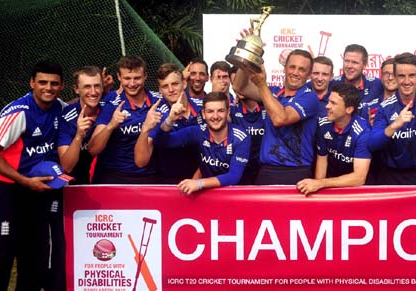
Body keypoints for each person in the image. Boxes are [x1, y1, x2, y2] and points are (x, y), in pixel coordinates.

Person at [0, 60, 67, 291]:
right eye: (42, 82)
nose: (48, 88)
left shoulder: (60, 108)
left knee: (34, 260)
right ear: (32, 83)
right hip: (7, 191)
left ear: (62, 86)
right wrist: (23, 180)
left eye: (54, 83)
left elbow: (81, 105)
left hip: (35, 193)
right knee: (1, 259)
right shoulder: (18, 112)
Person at [234, 49, 319, 185]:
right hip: (267, 171)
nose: (295, 73)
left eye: (302, 69)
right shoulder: (273, 93)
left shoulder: (310, 97)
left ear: (309, 75)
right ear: (284, 68)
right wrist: (249, 57)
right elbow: (239, 87)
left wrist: (262, 84)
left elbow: (280, 119)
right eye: (292, 67)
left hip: (296, 173)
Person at [368, 52, 416, 185]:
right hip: (389, 177)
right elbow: (372, 144)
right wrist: (395, 125)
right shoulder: (384, 107)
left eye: (411, 76)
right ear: (396, 78)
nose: (407, 81)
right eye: (402, 76)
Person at [88, 55, 166, 184]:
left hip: (149, 176)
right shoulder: (112, 105)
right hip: (115, 176)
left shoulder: (158, 102)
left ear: (145, 76)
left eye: (137, 78)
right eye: (127, 78)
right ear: (119, 77)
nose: (132, 84)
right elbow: (92, 149)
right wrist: (111, 126)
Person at [152, 92, 251, 193]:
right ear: (203, 114)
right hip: (206, 194)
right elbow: (162, 143)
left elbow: (234, 176)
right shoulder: (198, 132)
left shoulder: (240, 137)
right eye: (210, 111)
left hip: (234, 196)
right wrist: (170, 120)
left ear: (228, 112)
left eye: (220, 111)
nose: (215, 116)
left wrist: (199, 183)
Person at [296, 83, 371, 194]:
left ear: (349, 109)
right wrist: (317, 188)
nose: (327, 106)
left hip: (356, 191)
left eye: (333, 103)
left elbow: (359, 178)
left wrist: (321, 183)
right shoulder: (323, 125)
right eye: (328, 101)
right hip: (330, 187)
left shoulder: (363, 132)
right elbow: (322, 161)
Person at [134, 63, 201, 184]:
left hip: (202, 184)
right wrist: (145, 129)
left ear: (184, 83)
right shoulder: (157, 114)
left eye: (175, 84)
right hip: (169, 186)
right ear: (160, 90)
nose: (171, 90)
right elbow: (140, 161)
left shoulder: (203, 107)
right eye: (165, 86)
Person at [58, 66, 105, 184]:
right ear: (76, 89)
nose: (93, 92)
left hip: (106, 179)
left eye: (97, 86)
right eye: (87, 87)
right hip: (77, 184)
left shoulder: (109, 109)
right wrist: (79, 136)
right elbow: (66, 166)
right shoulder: (67, 118)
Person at [330, 44, 383, 120]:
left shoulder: (377, 84)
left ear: (364, 65)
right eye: (346, 61)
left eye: (354, 62)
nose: (349, 66)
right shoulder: (331, 83)